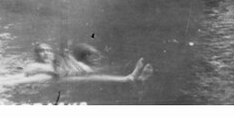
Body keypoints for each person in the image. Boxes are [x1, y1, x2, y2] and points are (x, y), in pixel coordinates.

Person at [23, 43, 153, 83]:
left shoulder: (57, 62)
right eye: (41, 51)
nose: (46, 53)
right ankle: (129, 78)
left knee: (90, 72)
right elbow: (28, 71)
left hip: (61, 76)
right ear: (36, 54)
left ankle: (135, 78)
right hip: (51, 80)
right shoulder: (33, 65)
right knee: (87, 75)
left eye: (48, 50)